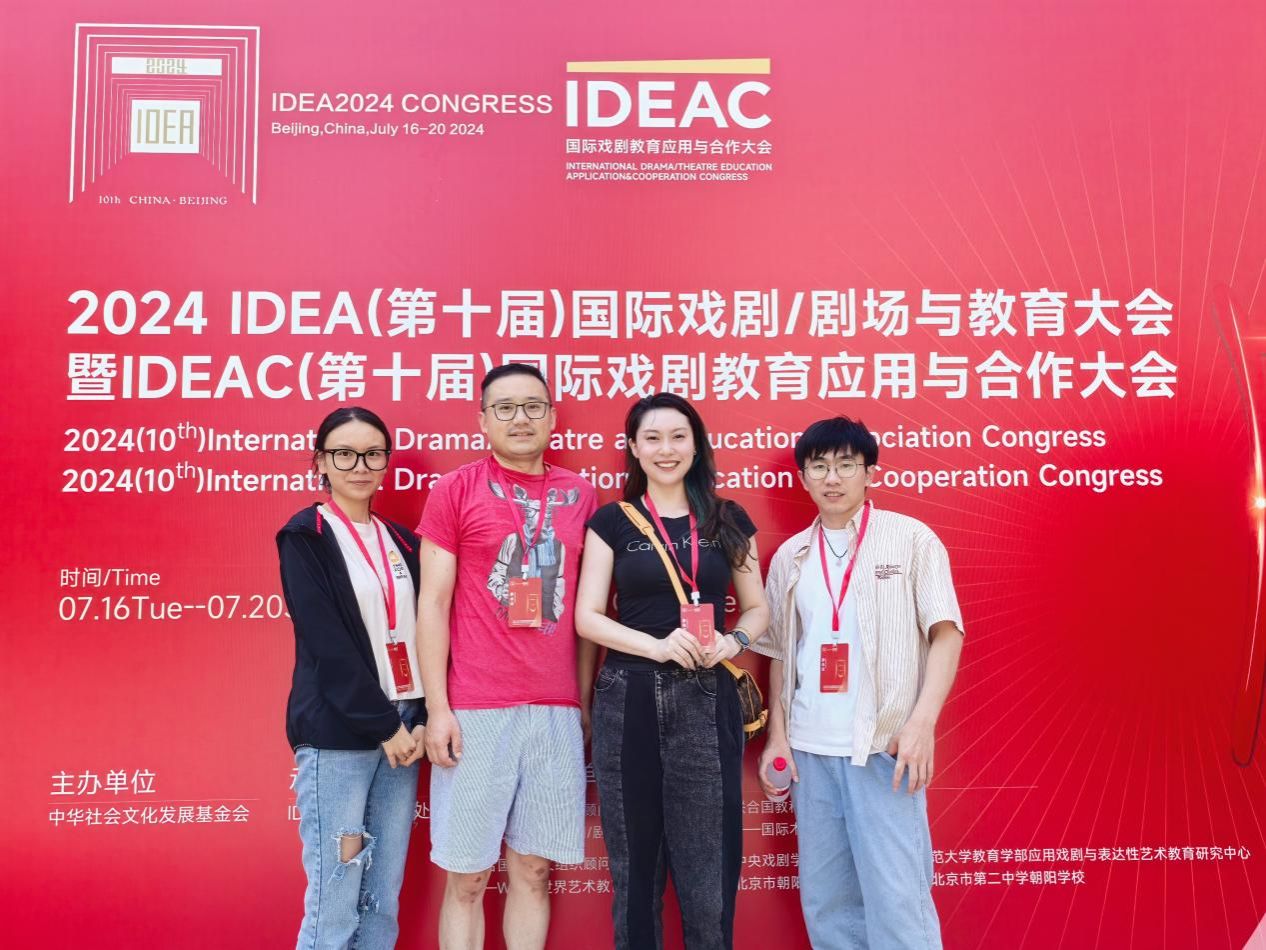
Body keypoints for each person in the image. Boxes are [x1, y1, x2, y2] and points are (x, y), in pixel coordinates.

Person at [753, 416, 964, 950]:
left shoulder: (911, 539)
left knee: (899, 904)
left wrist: (921, 725)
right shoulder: (790, 557)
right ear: (803, 477)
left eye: (847, 465)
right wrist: (778, 737)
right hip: (810, 755)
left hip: (883, 750)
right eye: (819, 466)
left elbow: (946, 634)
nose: (833, 478)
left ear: (870, 472)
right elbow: (779, 655)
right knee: (828, 906)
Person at [575, 392, 769, 950]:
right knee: (634, 870)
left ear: (696, 445)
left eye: (679, 436)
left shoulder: (728, 519)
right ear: (634, 449)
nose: (667, 449)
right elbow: (588, 617)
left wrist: (733, 640)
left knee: (710, 871)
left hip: (707, 695)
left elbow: (757, 608)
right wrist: (657, 647)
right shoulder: (611, 521)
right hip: (629, 695)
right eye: (653, 438)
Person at [416, 363, 598, 950]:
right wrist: (437, 709)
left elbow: (588, 612)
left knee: (534, 871)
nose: (521, 419)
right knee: (467, 878)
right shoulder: (455, 489)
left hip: (555, 711)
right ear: (483, 420)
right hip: (476, 710)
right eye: (505, 408)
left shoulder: (581, 494)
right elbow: (433, 604)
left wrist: (582, 701)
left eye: (533, 406)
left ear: (552, 416)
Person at [278, 406, 427, 950]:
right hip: (343, 732)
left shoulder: (403, 542)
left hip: (406, 728)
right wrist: (383, 725)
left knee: (381, 896)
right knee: (336, 895)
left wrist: (418, 718)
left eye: (372, 454)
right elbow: (327, 643)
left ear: (386, 461)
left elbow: (425, 631)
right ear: (320, 461)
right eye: (344, 454)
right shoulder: (306, 535)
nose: (360, 465)